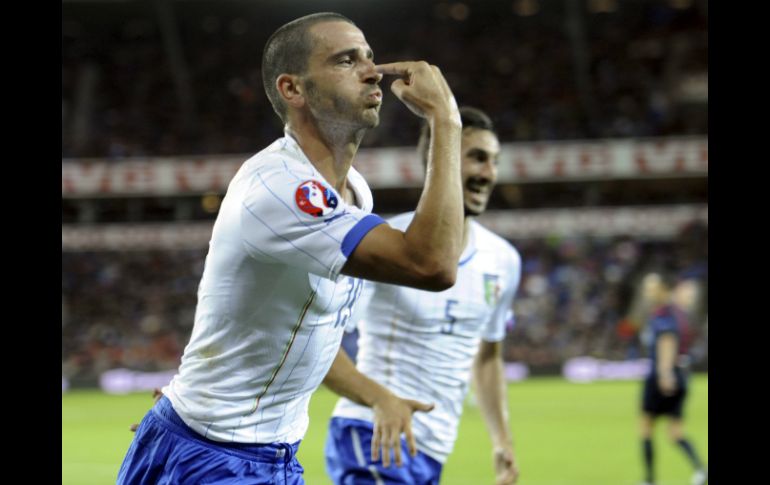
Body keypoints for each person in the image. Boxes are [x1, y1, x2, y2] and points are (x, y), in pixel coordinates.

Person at [118, 12, 465, 484]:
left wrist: (378, 396)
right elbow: (432, 265)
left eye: (369, 57)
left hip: (251, 451)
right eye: (346, 60)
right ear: (292, 89)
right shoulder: (282, 188)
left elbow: (313, 337)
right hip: (216, 456)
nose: (373, 71)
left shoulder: (355, 193)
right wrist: (446, 120)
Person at [323, 107, 521, 485]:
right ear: (440, 163)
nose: (488, 174)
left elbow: (487, 355)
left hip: (430, 450)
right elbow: (317, 342)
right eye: (477, 158)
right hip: (374, 438)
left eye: (494, 161)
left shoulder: (504, 260)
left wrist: (501, 439)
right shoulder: (385, 244)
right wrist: (380, 399)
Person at [637, 272, 707, 485]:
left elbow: (667, 341)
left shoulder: (664, 313)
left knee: (646, 427)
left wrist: (665, 373)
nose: (647, 292)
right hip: (681, 374)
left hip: (663, 375)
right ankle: (699, 469)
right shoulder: (676, 312)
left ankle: (649, 480)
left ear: (663, 289)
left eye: (651, 287)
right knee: (675, 432)